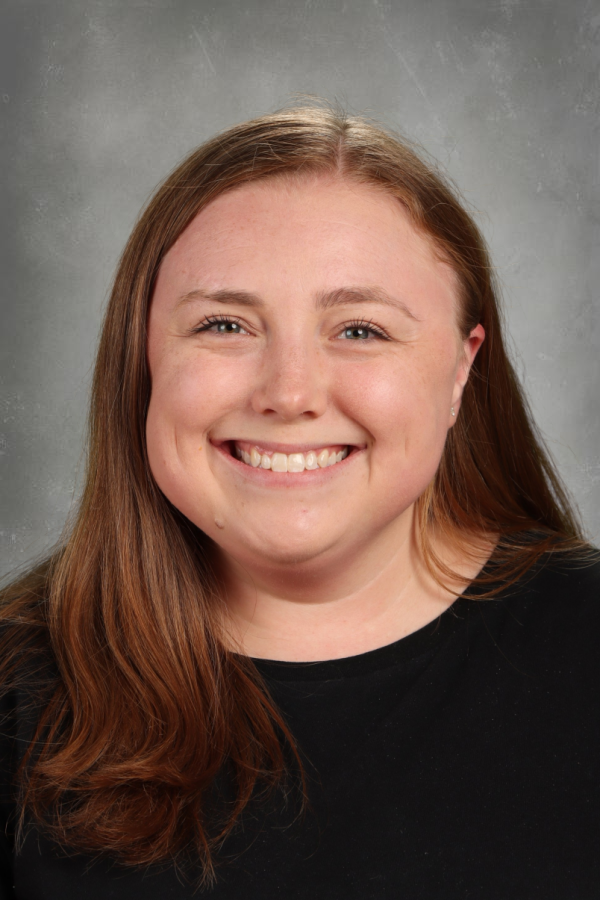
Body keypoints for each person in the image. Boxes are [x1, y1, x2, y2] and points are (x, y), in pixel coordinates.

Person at [0, 104, 598, 900]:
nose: (289, 393)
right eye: (223, 324)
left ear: (461, 370)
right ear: (141, 359)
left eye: (359, 330)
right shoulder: (16, 692)